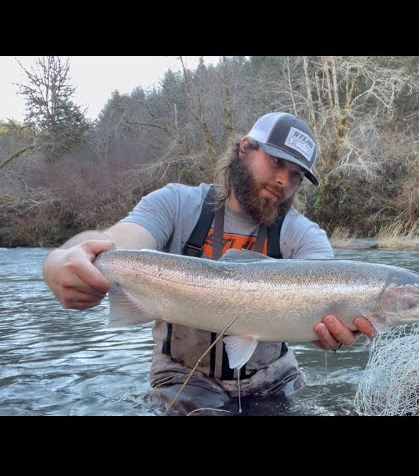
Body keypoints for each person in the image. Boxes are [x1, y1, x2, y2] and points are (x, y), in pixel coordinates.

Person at [42, 111, 376, 415]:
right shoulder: (175, 203)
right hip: (182, 377)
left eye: (296, 176)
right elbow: (115, 242)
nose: (283, 182)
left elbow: (329, 285)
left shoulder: (303, 234)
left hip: (272, 378)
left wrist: (336, 326)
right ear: (245, 148)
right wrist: (61, 260)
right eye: (276, 162)